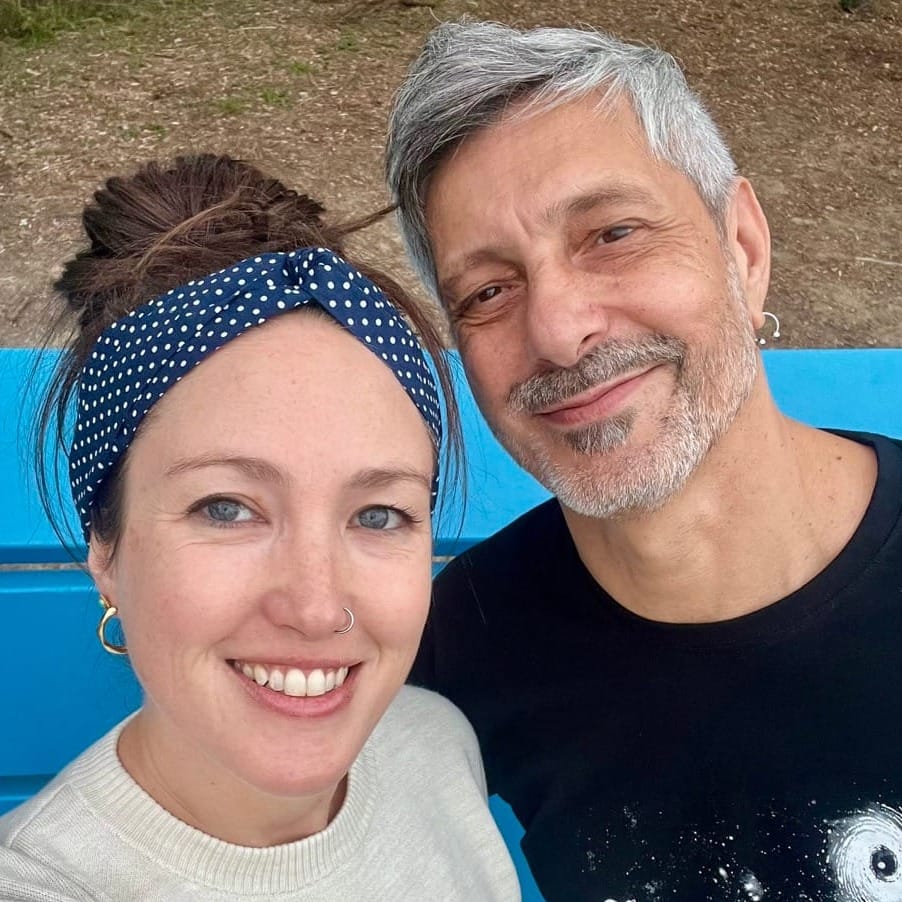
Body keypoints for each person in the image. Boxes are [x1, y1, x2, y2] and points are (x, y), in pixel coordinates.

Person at [385, 20, 902, 902]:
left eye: (613, 234)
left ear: (742, 247)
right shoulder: (457, 643)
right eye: (488, 291)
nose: (557, 330)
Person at [0, 154, 521, 902]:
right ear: (106, 550)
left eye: (378, 514)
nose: (315, 608)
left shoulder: (435, 743)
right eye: (226, 507)